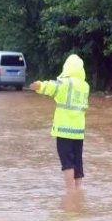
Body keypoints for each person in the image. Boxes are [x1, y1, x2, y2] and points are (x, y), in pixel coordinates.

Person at [29, 54, 90, 191]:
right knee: (77, 160)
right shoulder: (85, 86)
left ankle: (70, 191)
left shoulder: (66, 83)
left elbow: (52, 87)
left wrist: (38, 85)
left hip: (64, 130)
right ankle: (79, 188)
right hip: (79, 131)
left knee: (67, 161)